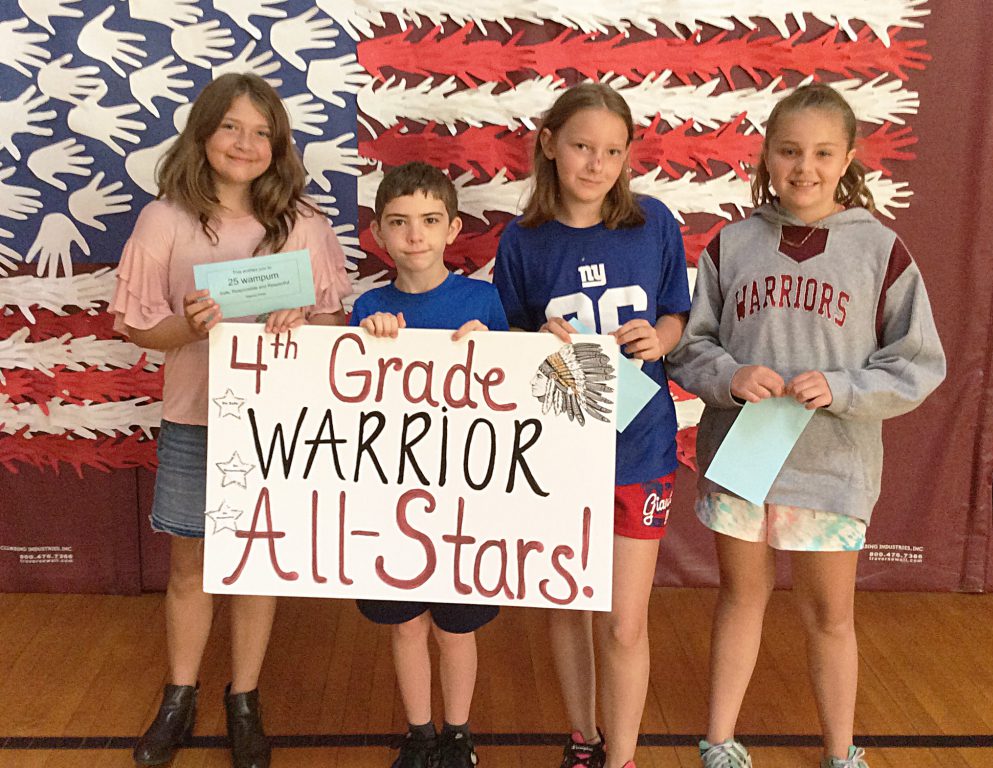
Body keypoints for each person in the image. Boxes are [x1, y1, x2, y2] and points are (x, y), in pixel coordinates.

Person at [664, 83, 946, 768]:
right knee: (740, 597)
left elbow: (917, 363)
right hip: (744, 458)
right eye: (789, 151)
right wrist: (728, 375)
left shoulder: (881, 250)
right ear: (766, 154)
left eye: (822, 153)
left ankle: (839, 751)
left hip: (831, 462)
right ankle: (720, 740)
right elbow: (691, 344)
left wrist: (845, 387)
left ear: (849, 157)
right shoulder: (732, 245)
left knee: (830, 616)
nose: (804, 168)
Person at [110, 73, 350, 768]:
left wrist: (304, 317)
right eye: (230, 128)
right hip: (195, 417)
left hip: (277, 426)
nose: (245, 144)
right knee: (190, 566)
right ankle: (178, 697)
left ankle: (243, 699)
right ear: (203, 134)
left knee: (257, 565)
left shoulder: (303, 222)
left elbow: (338, 324)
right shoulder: (165, 219)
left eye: (261, 131)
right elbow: (135, 325)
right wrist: (185, 329)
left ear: (278, 144)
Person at [493, 83, 691, 768]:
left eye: (612, 150)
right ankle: (583, 736)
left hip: (640, 446)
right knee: (567, 607)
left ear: (628, 156)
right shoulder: (521, 242)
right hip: (561, 452)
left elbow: (676, 313)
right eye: (581, 146)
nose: (595, 163)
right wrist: (535, 341)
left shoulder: (656, 222)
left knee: (626, 621)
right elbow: (508, 342)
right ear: (549, 144)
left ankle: (623, 756)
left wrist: (661, 339)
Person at [351, 161, 509, 768]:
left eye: (428, 221)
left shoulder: (483, 300)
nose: (414, 235)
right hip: (391, 500)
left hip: (465, 498)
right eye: (399, 223)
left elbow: (515, 396)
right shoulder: (368, 306)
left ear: (452, 228)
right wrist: (368, 336)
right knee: (408, 624)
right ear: (379, 236)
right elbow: (344, 398)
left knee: (454, 627)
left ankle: (458, 734)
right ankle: (419, 735)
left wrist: (492, 348)